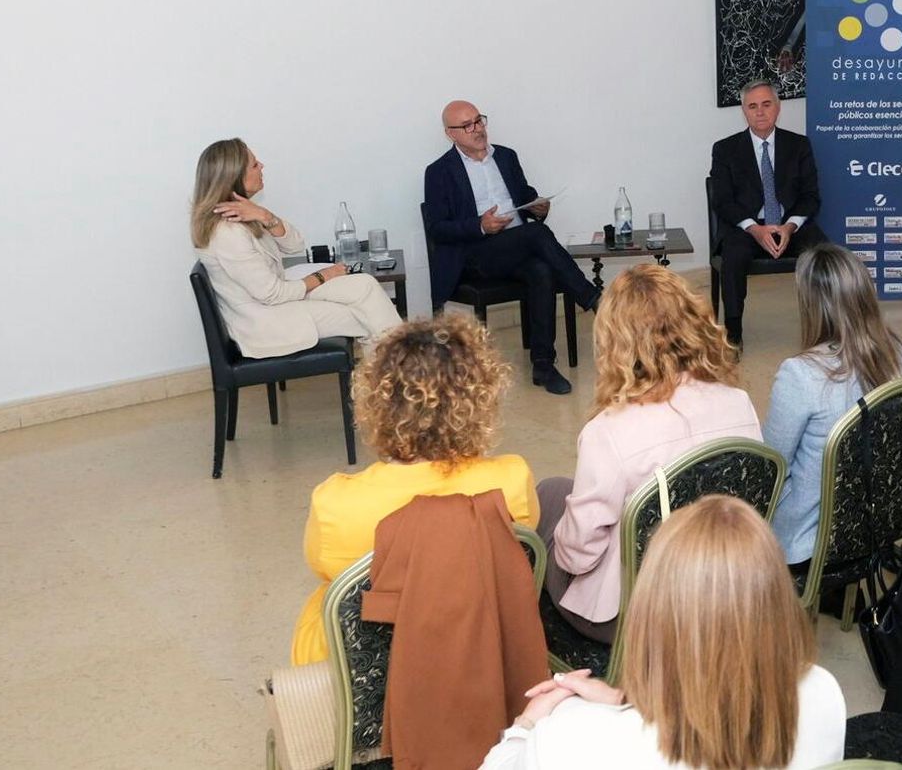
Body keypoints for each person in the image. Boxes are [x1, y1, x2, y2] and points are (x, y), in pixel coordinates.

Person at [481, 496, 847, 769]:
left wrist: (526, 724)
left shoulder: (575, 739)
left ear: (652, 612)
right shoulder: (826, 691)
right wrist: (622, 702)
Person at [290, 314, 538, 664]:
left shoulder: (336, 505)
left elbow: (328, 573)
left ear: (376, 404)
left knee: (323, 597)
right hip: (478, 652)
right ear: (480, 401)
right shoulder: (510, 481)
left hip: (372, 671)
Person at [537, 264, 761, 644]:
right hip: (725, 594)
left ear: (616, 343)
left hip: (641, 616)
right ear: (692, 323)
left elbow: (578, 558)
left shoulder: (607, 431)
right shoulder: (739, 403)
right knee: (557, 489)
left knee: (544, 512)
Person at [423, 100, 602, 396]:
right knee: (537, 234)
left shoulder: (506, 156)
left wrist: (539, 207)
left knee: (541, 267)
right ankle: (594, 299)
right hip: (477, 253)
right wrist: (480, 225)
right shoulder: (439, 172)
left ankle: (543, 364)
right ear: (450, 134)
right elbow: (438, 228)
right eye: (467, 126)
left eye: (479, 121)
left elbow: (524, 196)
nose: (477, 129)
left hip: (518, 244)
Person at [765, 243, 902, 565]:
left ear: (810, 304)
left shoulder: (800, 374)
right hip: (883, 520)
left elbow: (772, 465)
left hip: (813, 538)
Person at [190, 138, 400, 358]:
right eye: (254, 164)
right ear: (235, 177)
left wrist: (266, 216)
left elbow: (295, 245)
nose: (262, 166)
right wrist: (323, 276)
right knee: (366, 317)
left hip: (280, 296)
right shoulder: (228, 233)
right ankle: (400, 375)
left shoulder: (246, 213)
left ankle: (398, 373)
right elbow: (273, 295)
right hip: (267, 320)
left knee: (365, 286)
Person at [708, 79, 825, 348]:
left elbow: (811, 197)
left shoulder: (799, 145)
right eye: (752, 106)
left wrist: (789, 226)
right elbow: (723, 201)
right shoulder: (725, 149)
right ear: (744, 111)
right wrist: (754, 228)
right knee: (733, 255)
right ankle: (733, 331)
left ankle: (827, 326)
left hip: (790, 226)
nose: (760, 112)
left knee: (823, 252)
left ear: (778, 107)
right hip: (747, 228)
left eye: (766, 104)